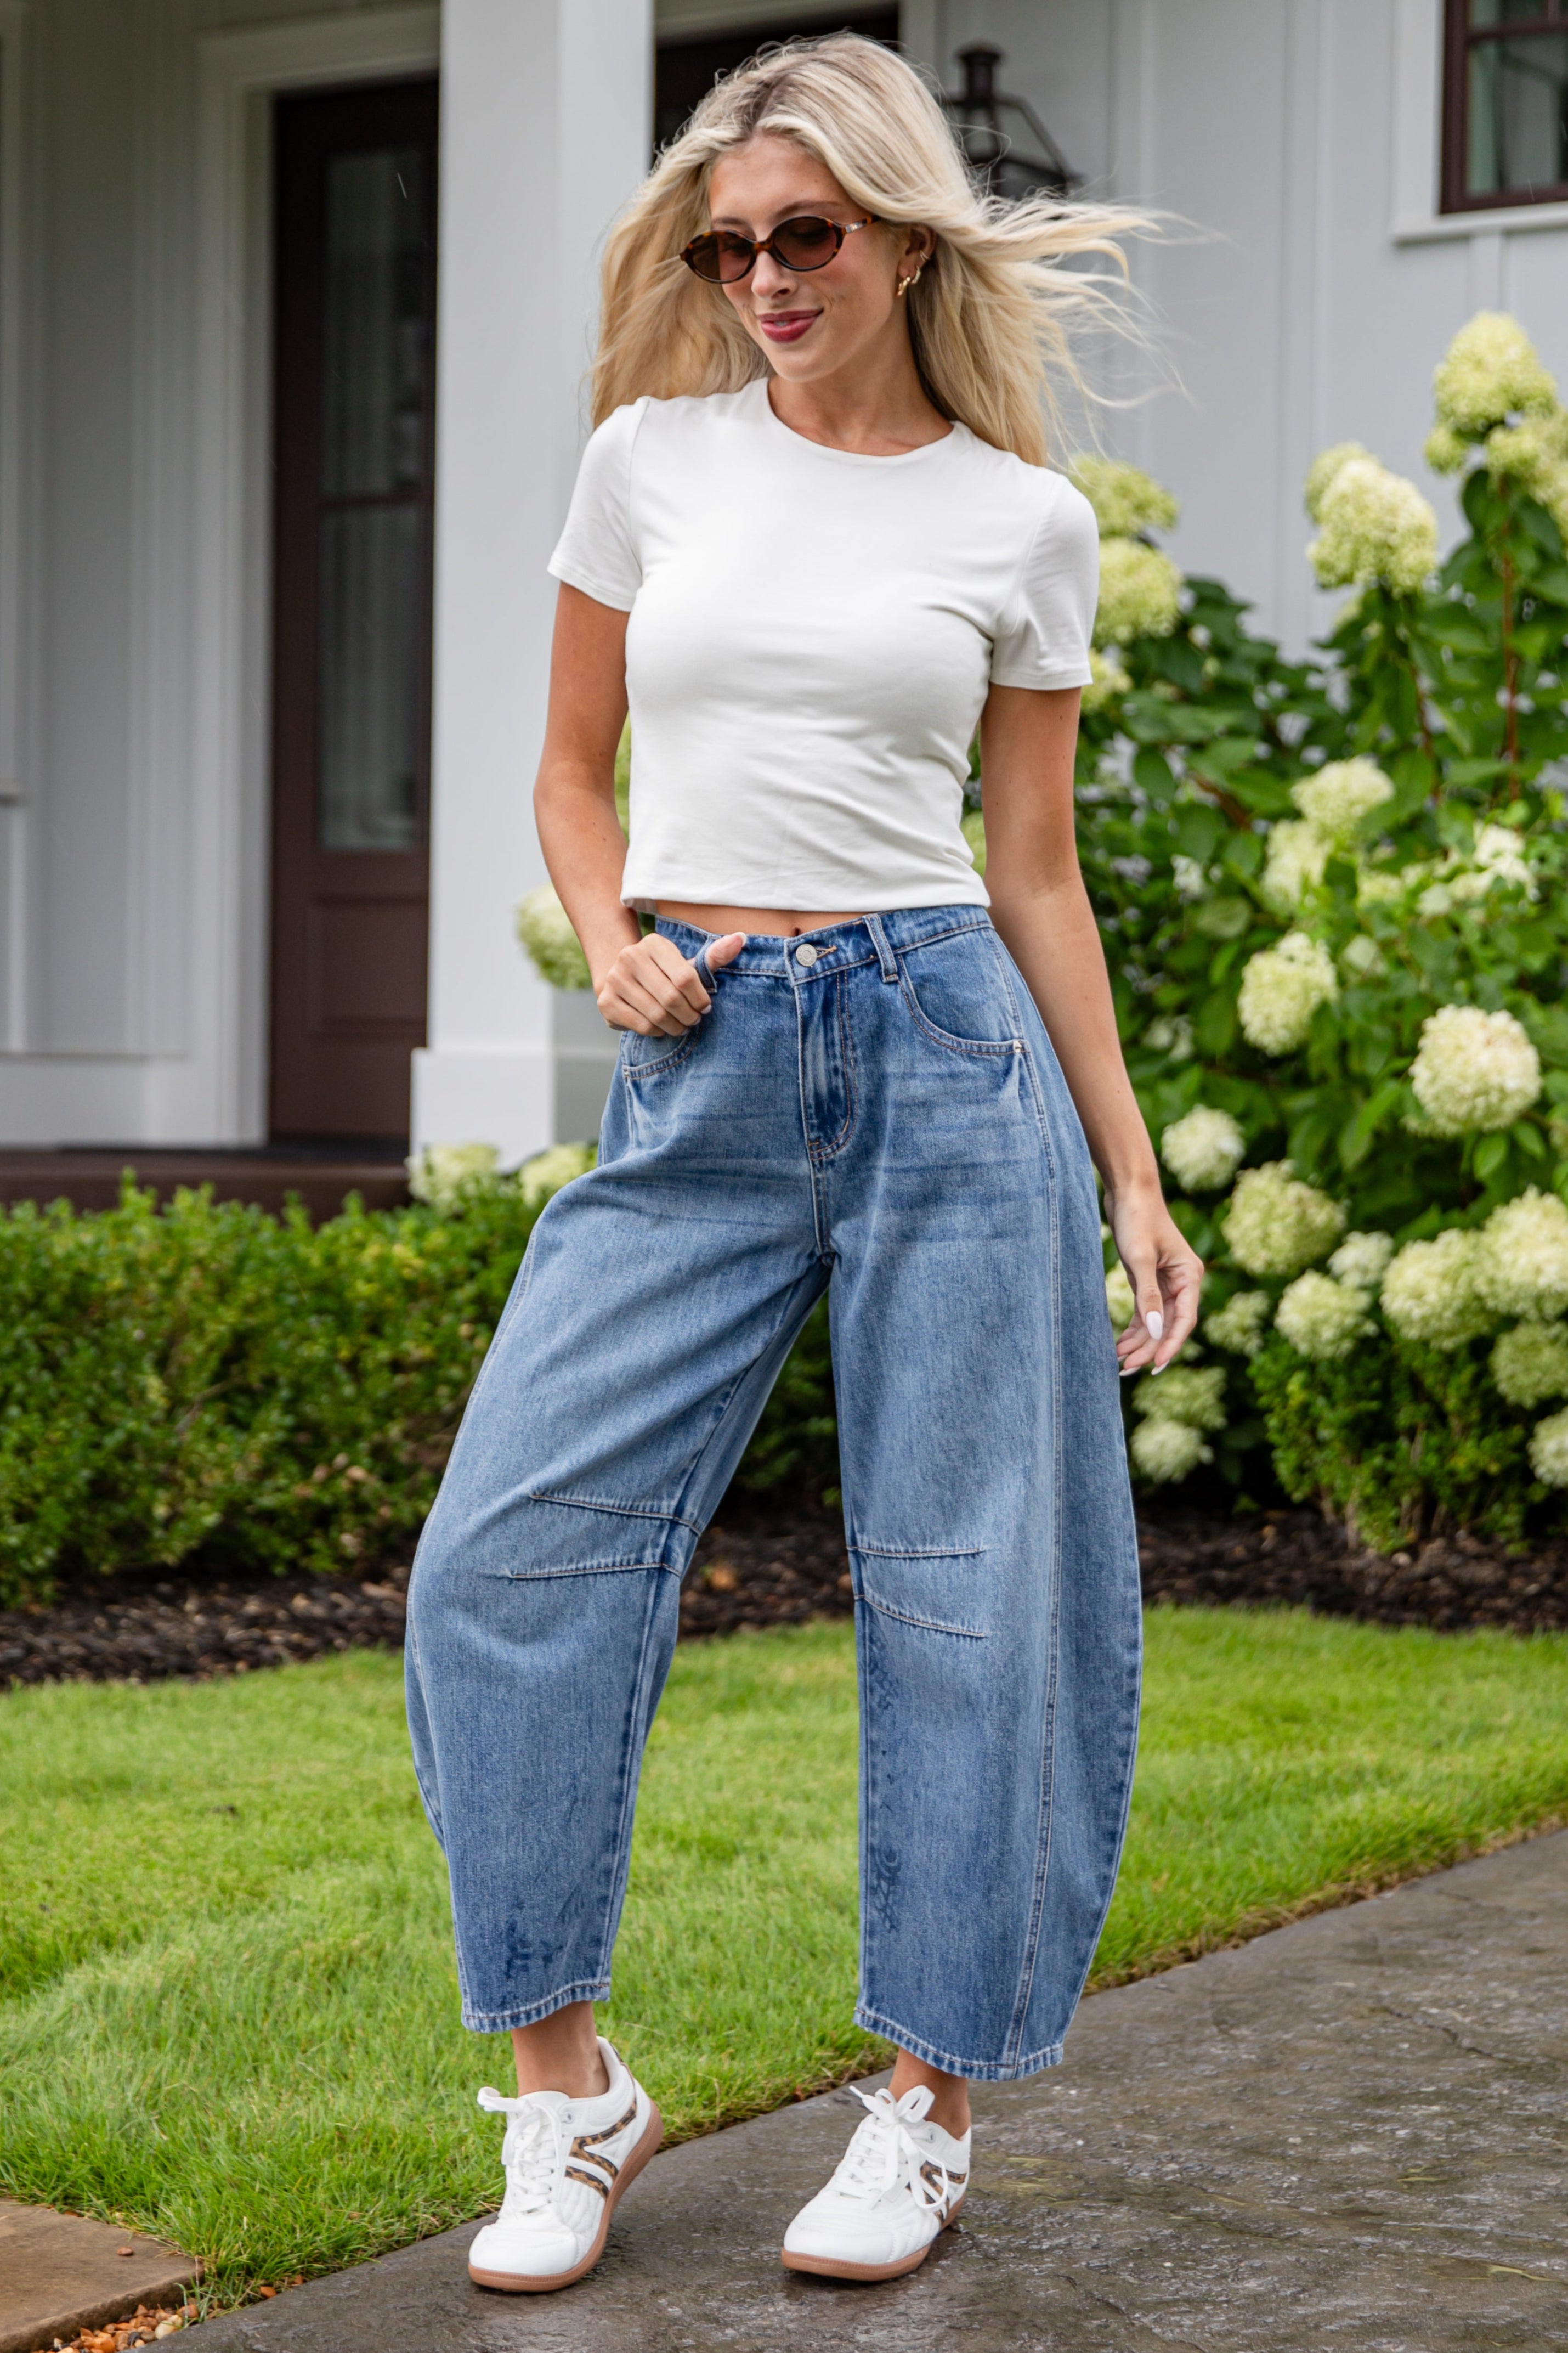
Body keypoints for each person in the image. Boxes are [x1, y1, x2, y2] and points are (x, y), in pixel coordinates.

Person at [405, 31, 1201, 2295]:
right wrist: (614, 932)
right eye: (723, 241)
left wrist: (1128, 1175)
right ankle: (568, 2090)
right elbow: (572, 770)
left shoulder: (1013, 521)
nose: (759, 272)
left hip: (951, 1053)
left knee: (971, 1583)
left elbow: (1032, 870)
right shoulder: (648, 462)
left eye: (802, 235)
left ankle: (924, 2097)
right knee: (504, 1549)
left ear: (898, 235)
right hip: (706, 1065)